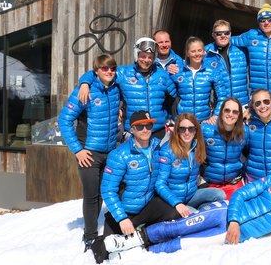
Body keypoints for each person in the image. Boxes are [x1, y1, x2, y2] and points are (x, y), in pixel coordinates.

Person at [95, 162, 271, 262]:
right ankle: (129, 240)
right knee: (180, 227)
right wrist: (234, 220)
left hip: (233, 234)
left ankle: (139, 254)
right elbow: (240, 194)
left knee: (184, 244)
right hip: (224, 214)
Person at [57, 54, 121, 250]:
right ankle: (90, 236)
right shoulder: (85, 91)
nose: (109, 72)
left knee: (105, 192)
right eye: (104, 69)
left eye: (111, 68)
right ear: (96, 72)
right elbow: (64, 120)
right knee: (91, 195)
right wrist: (78, 150)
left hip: (110, 151)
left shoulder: (116, 87)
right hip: (89, 153)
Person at [99, 111, 181, 242]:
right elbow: (107, 190)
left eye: (148, 126)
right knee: (107, 250)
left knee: (173, 213)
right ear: (132, 129)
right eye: (139, 126)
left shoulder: (158, 148)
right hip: (127, 211)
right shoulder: (120, 154)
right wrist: (122, 218)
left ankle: (147, 234)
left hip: (148, 206)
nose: (145, 130)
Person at [79, 37, 177, 139]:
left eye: (150, 57)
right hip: (134, 130)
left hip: (157, 131)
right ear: (136, 55)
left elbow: (174, 98)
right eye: (143, 56)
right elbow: (98, 73)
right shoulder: (124, 73)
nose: (146, 60)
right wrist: (85, 83)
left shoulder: (162, 75)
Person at [155, 112, 225, 216]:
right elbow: (159, 184)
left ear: (196, 130)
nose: (187, 132)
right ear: (177, 131)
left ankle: (199, 212)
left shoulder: (197, 147)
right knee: (193, 214)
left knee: (220, 195)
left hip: (191, 195)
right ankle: (197, 214)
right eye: (182, 129)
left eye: (191, 129)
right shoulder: (167, 151)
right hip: (173, 200)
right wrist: (177, 203)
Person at [230, 3, 271, 104]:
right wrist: (205, 49)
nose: (266, 22)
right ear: (258, 22)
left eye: (270, 19)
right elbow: (227, 40)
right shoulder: (251, 35)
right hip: (257, 93)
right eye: (262, 20)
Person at [171, 36, 229, 122]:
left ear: (204, 52)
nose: (197, 54)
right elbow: (169, 96)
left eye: (199, 50)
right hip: (183, 121)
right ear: (187, 53)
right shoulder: (178, 71)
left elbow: (222, 96)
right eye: (193, 51)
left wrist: (215, 115)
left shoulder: (212, 71)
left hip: (204, 121)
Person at [200, 97, 249, 198]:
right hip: (210, 183)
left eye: (235, 112)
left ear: (239, 115)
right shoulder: (205, 129)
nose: (230, 114)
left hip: (233, 183)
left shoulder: (245, 133)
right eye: (227, 110)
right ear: (221, 111)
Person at [204, 20, 250, 107]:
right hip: (220, 106)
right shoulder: (206, 53)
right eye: (219, 33)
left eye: (226, 33)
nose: (223, 36)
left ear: (230, 34)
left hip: (242, 104)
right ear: (213, 35)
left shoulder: (242, 50)